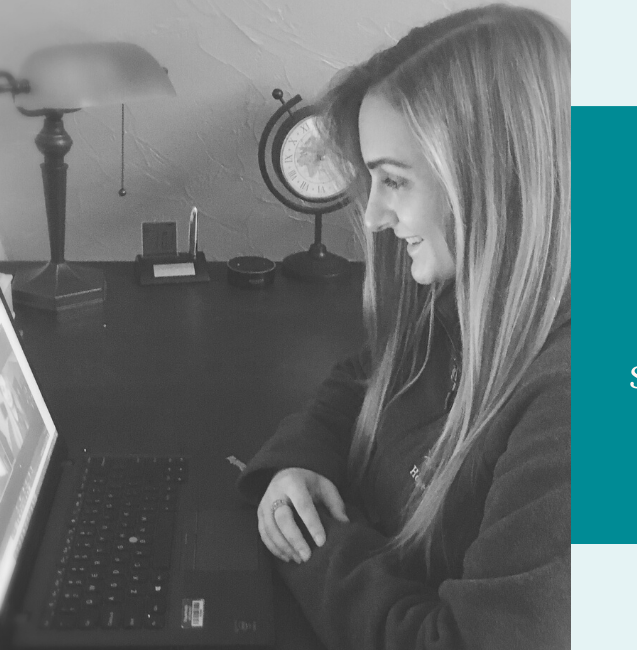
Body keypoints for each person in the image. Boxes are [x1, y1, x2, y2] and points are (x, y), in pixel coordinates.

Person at [235, 5, 570, 650]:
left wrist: (308, 541)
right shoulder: (464, 299)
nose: (375, 215)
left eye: (394, 180)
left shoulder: (569, 406)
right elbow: (360, 381)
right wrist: (295, 466)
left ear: (490, 178)